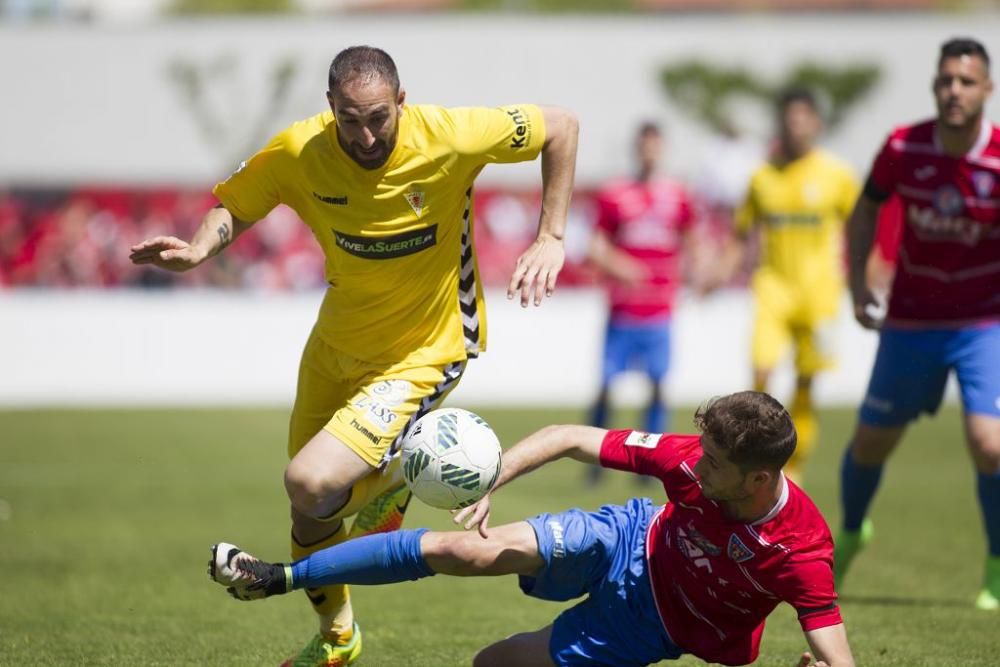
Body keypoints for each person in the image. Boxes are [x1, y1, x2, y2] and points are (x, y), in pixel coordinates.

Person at [130, 45, 578, 666]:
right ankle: (338, 638)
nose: (365, 135)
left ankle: (399, 473)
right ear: (330, 109)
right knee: (310, 508)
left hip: (426, 348)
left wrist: (551, 235)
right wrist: (200, 250)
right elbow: (236, 203)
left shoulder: (451, 135)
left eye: (377, 117)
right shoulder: (299, 151)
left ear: (402, 101)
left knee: (308, 479)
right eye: (349, 119)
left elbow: (561, 125)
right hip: (335, 347)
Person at [210, 391, 856, 667]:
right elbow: (568, 436)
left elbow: (837, 654)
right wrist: (494, 479)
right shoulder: (692, 457)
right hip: (629, 537)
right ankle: (280, 575)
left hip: (650, 623)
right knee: (465, 547)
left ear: (760, 480)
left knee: (491, 663)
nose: (696, 460)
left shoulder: (800, 552)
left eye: (714, 461)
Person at [835, 37, 1000, 612]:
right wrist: (857, 282)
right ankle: (853, 530)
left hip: (983, 322)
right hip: (910, 320)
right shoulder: (904, 146)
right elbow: (865, 210)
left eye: (966, 81)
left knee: (990, 444)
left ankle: (997, 567)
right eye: (945, 80)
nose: (953, 90)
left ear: (987, 89)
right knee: (871, 443)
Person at [708, 89, 860, 484]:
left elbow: (863, 230)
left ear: (816, 124)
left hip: (821, 295)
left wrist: (869, 279)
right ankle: (754, 455)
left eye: (801, 119)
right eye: (788, 120)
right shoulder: (762, 177)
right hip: (773, 289)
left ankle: (793, 470)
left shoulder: (837, 175)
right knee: (761, 372)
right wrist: (719, 272)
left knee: (807, 383)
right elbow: (741, 236)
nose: (794, 127)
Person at [584, 121, 699, 486]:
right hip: (624, 309)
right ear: (637, 148)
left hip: (660, 309)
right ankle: (593, 457)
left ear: (661, 148)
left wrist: (697, 273)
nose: (649, 150)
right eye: (644, 144)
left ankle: (653, 465)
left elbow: (692, 239)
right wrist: (622, 267)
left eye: (655, 144)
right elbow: (597, 247)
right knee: (606, 383)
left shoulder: (677, 194)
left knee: (659, 384)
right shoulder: (616, 194)